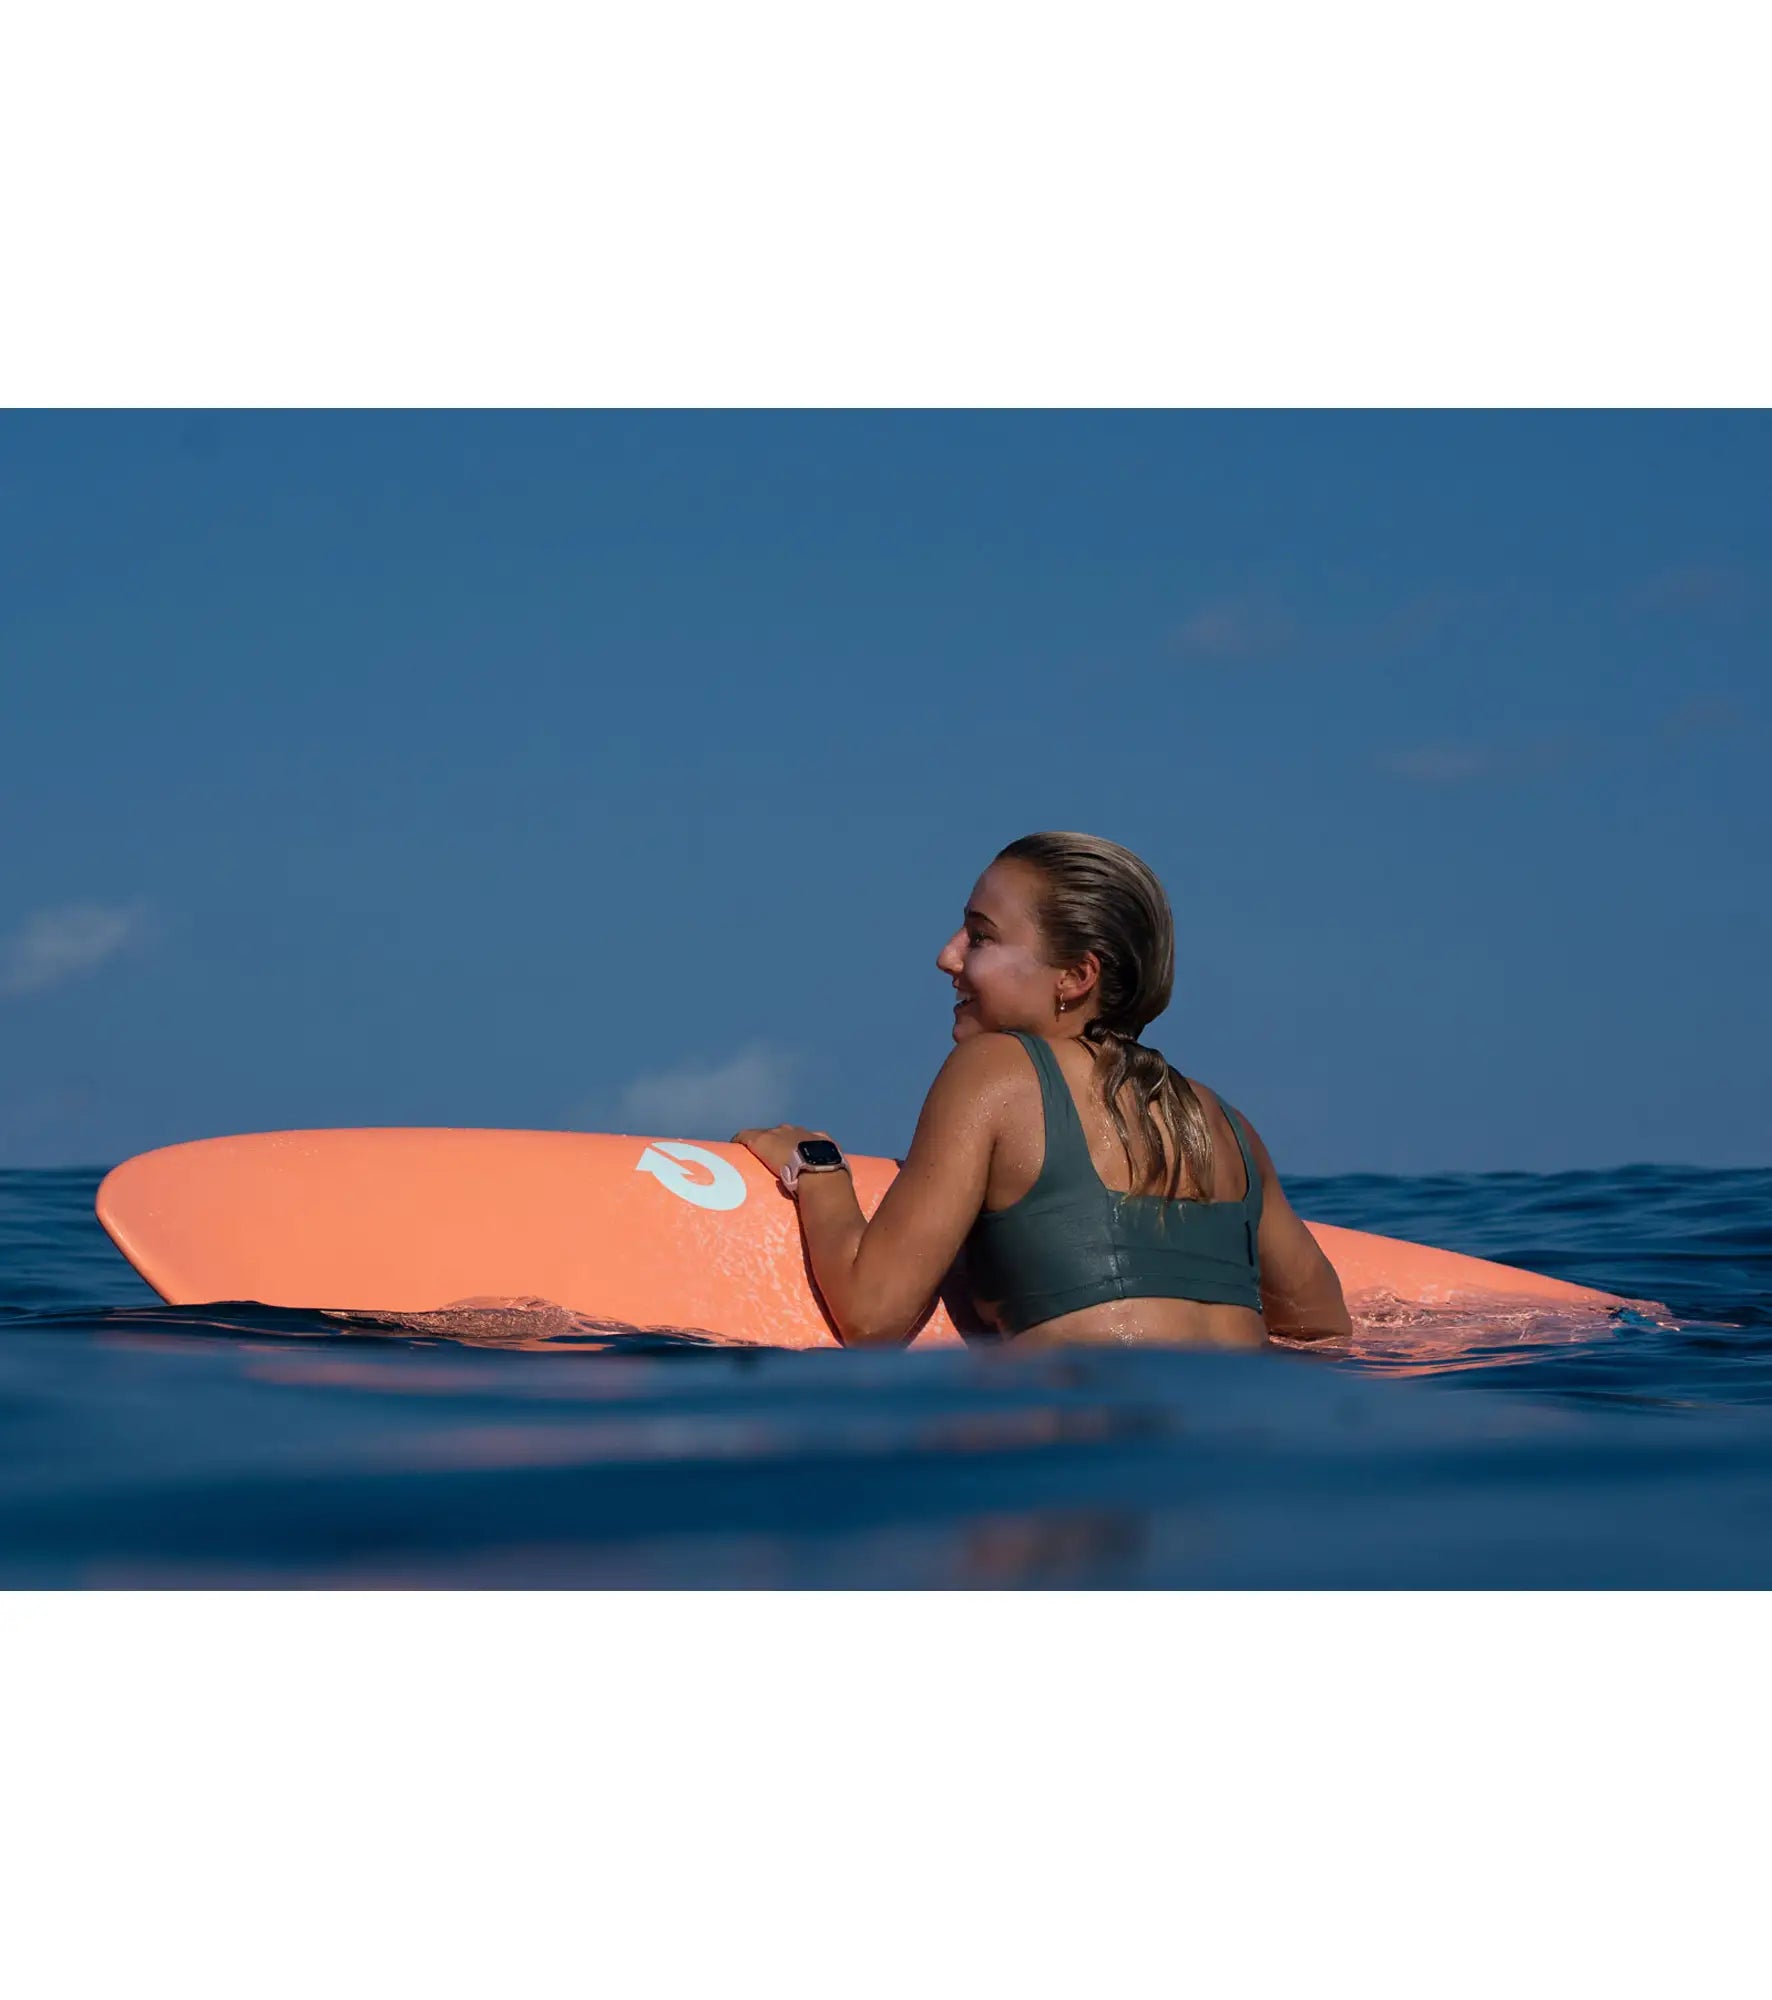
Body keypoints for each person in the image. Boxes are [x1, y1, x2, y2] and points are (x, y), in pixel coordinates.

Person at [733, 831, 1351, 1350]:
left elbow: (872, 1315)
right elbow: (1323, 1329)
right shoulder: (1224, 1124)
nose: (947, 957)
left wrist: (817, 1168)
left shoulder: (993, 1069)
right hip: (1236, 1442)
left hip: (1088, 1445)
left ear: (1076, 976)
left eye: (980, 936)